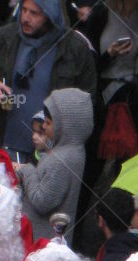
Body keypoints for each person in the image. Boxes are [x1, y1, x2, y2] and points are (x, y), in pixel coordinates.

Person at [0, 0, 97, 157]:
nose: (25, 18)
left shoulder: (74, 47)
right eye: (24, 10)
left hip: (49, 150)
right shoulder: (6, 36)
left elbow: (88, 100)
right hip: (3, 141)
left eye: (34, 13)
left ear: (49, 16)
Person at [16, 89, 94, 244]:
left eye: (48, 123)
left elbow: (41, 201)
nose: (43, 126)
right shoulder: (70, 150)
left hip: (43, 242)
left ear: (66, 126)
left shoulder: (62, 160)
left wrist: (27, 170)